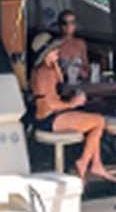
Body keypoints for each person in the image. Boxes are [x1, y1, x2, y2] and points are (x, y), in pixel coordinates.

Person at [31, 41, 111, 181]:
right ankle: (86, 162)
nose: (57, 52)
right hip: (49, 118)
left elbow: (61, 80)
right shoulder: (42, 73)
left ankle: (95, 164)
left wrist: (55, 65)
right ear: (45, 54)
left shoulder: (48, 69)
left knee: (97, 122)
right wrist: (72, 104)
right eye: (53, 51)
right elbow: (49, 103)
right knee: (99, 121)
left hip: (55, 115)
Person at [53, 9, 89, 85]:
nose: (68, 26)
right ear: (60, 25)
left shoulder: (81, 43)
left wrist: (84, 72)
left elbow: (86, 66)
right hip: (62, 84)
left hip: (80, 83)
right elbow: (51, 71)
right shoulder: (55, 45)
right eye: (65, 23)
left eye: (72, 22)